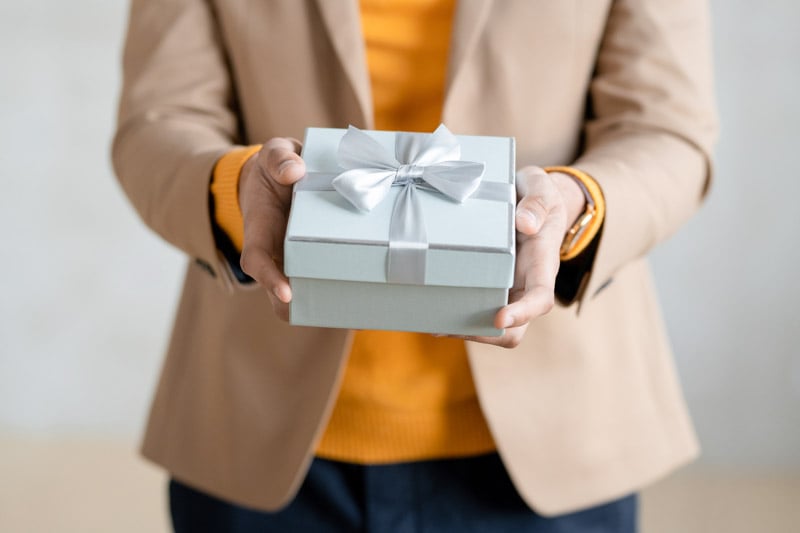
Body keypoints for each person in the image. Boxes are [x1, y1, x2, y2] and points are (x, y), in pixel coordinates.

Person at [113, 0, 716, 531]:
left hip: (556, 439)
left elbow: (666, 129)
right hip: (256, 425)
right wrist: (236, 186)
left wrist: (575, 206)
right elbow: (157, 123)